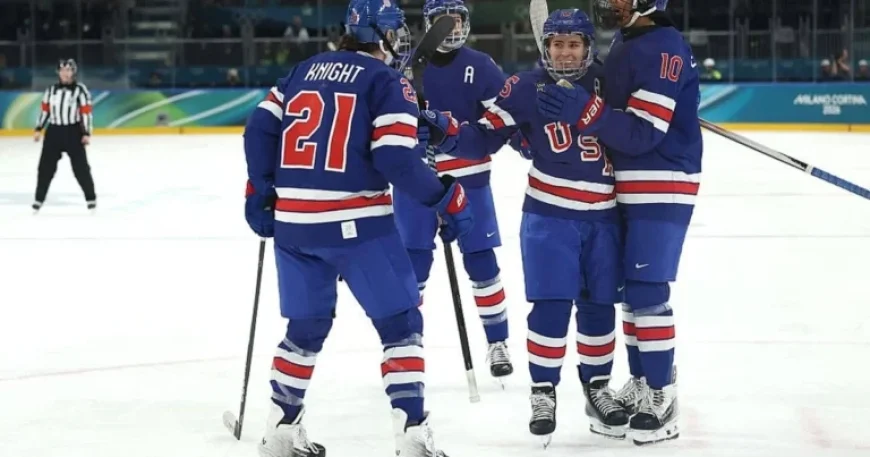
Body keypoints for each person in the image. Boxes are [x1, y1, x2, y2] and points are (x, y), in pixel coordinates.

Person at [241, 1, 473, 456]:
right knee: (401, 323)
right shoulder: (386, 81)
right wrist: (444, 196)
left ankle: (280, 430)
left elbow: (258, 128)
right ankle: (412, 436)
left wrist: (261, 189)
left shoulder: (304, 69)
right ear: (380, 35)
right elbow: (394, 160)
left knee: (305, 327)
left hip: (294, 225)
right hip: (355, 223)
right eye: (396, 32)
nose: (401, 41)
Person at [422, 8, 629, 446]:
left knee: (598, 308)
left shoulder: (611, 83)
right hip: (550, 217)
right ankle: (543, 390)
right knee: (551, 307)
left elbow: (636, 132)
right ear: (546, 47)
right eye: (557, 44)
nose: (566, 53)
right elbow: (485, 135)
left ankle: (597, 386)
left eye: (574, 45)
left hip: (604, 218)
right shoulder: (524, 87)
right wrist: (447, 132)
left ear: (588, 48)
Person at [535, 0, 703, 445]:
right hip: (627, 180)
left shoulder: (665, 46)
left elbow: (644, 133)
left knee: (648, 290)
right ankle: (646, 379)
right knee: (630, 288)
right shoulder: (628, 38)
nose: (608, 2)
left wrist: (587, 112)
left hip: (662, 177)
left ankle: (662, 392)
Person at [392, 0, 514, 380]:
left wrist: (463, 140)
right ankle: (406, 345)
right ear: (428, 24)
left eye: (458, 19)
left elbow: (501, 122)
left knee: (481, 261)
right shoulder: (404, 64)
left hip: (470, 179)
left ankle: (498, 343)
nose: (453, 26)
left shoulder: (481, 65)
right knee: (415, 264)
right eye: (444, 20)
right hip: (415, 180)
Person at [32, 59, 96, 213]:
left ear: (73, 72)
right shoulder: (51, 90)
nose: (65, 73)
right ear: (58, 72)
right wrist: (38, 128)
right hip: (54, 131)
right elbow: (45, 111)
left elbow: (86, 112)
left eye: (68, 70)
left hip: (73, 132)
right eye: (62, 70)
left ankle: (91, 198)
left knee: (81, 168)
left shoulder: (81, 90)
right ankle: (38, 199)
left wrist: (86, 132)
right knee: (45, 168)